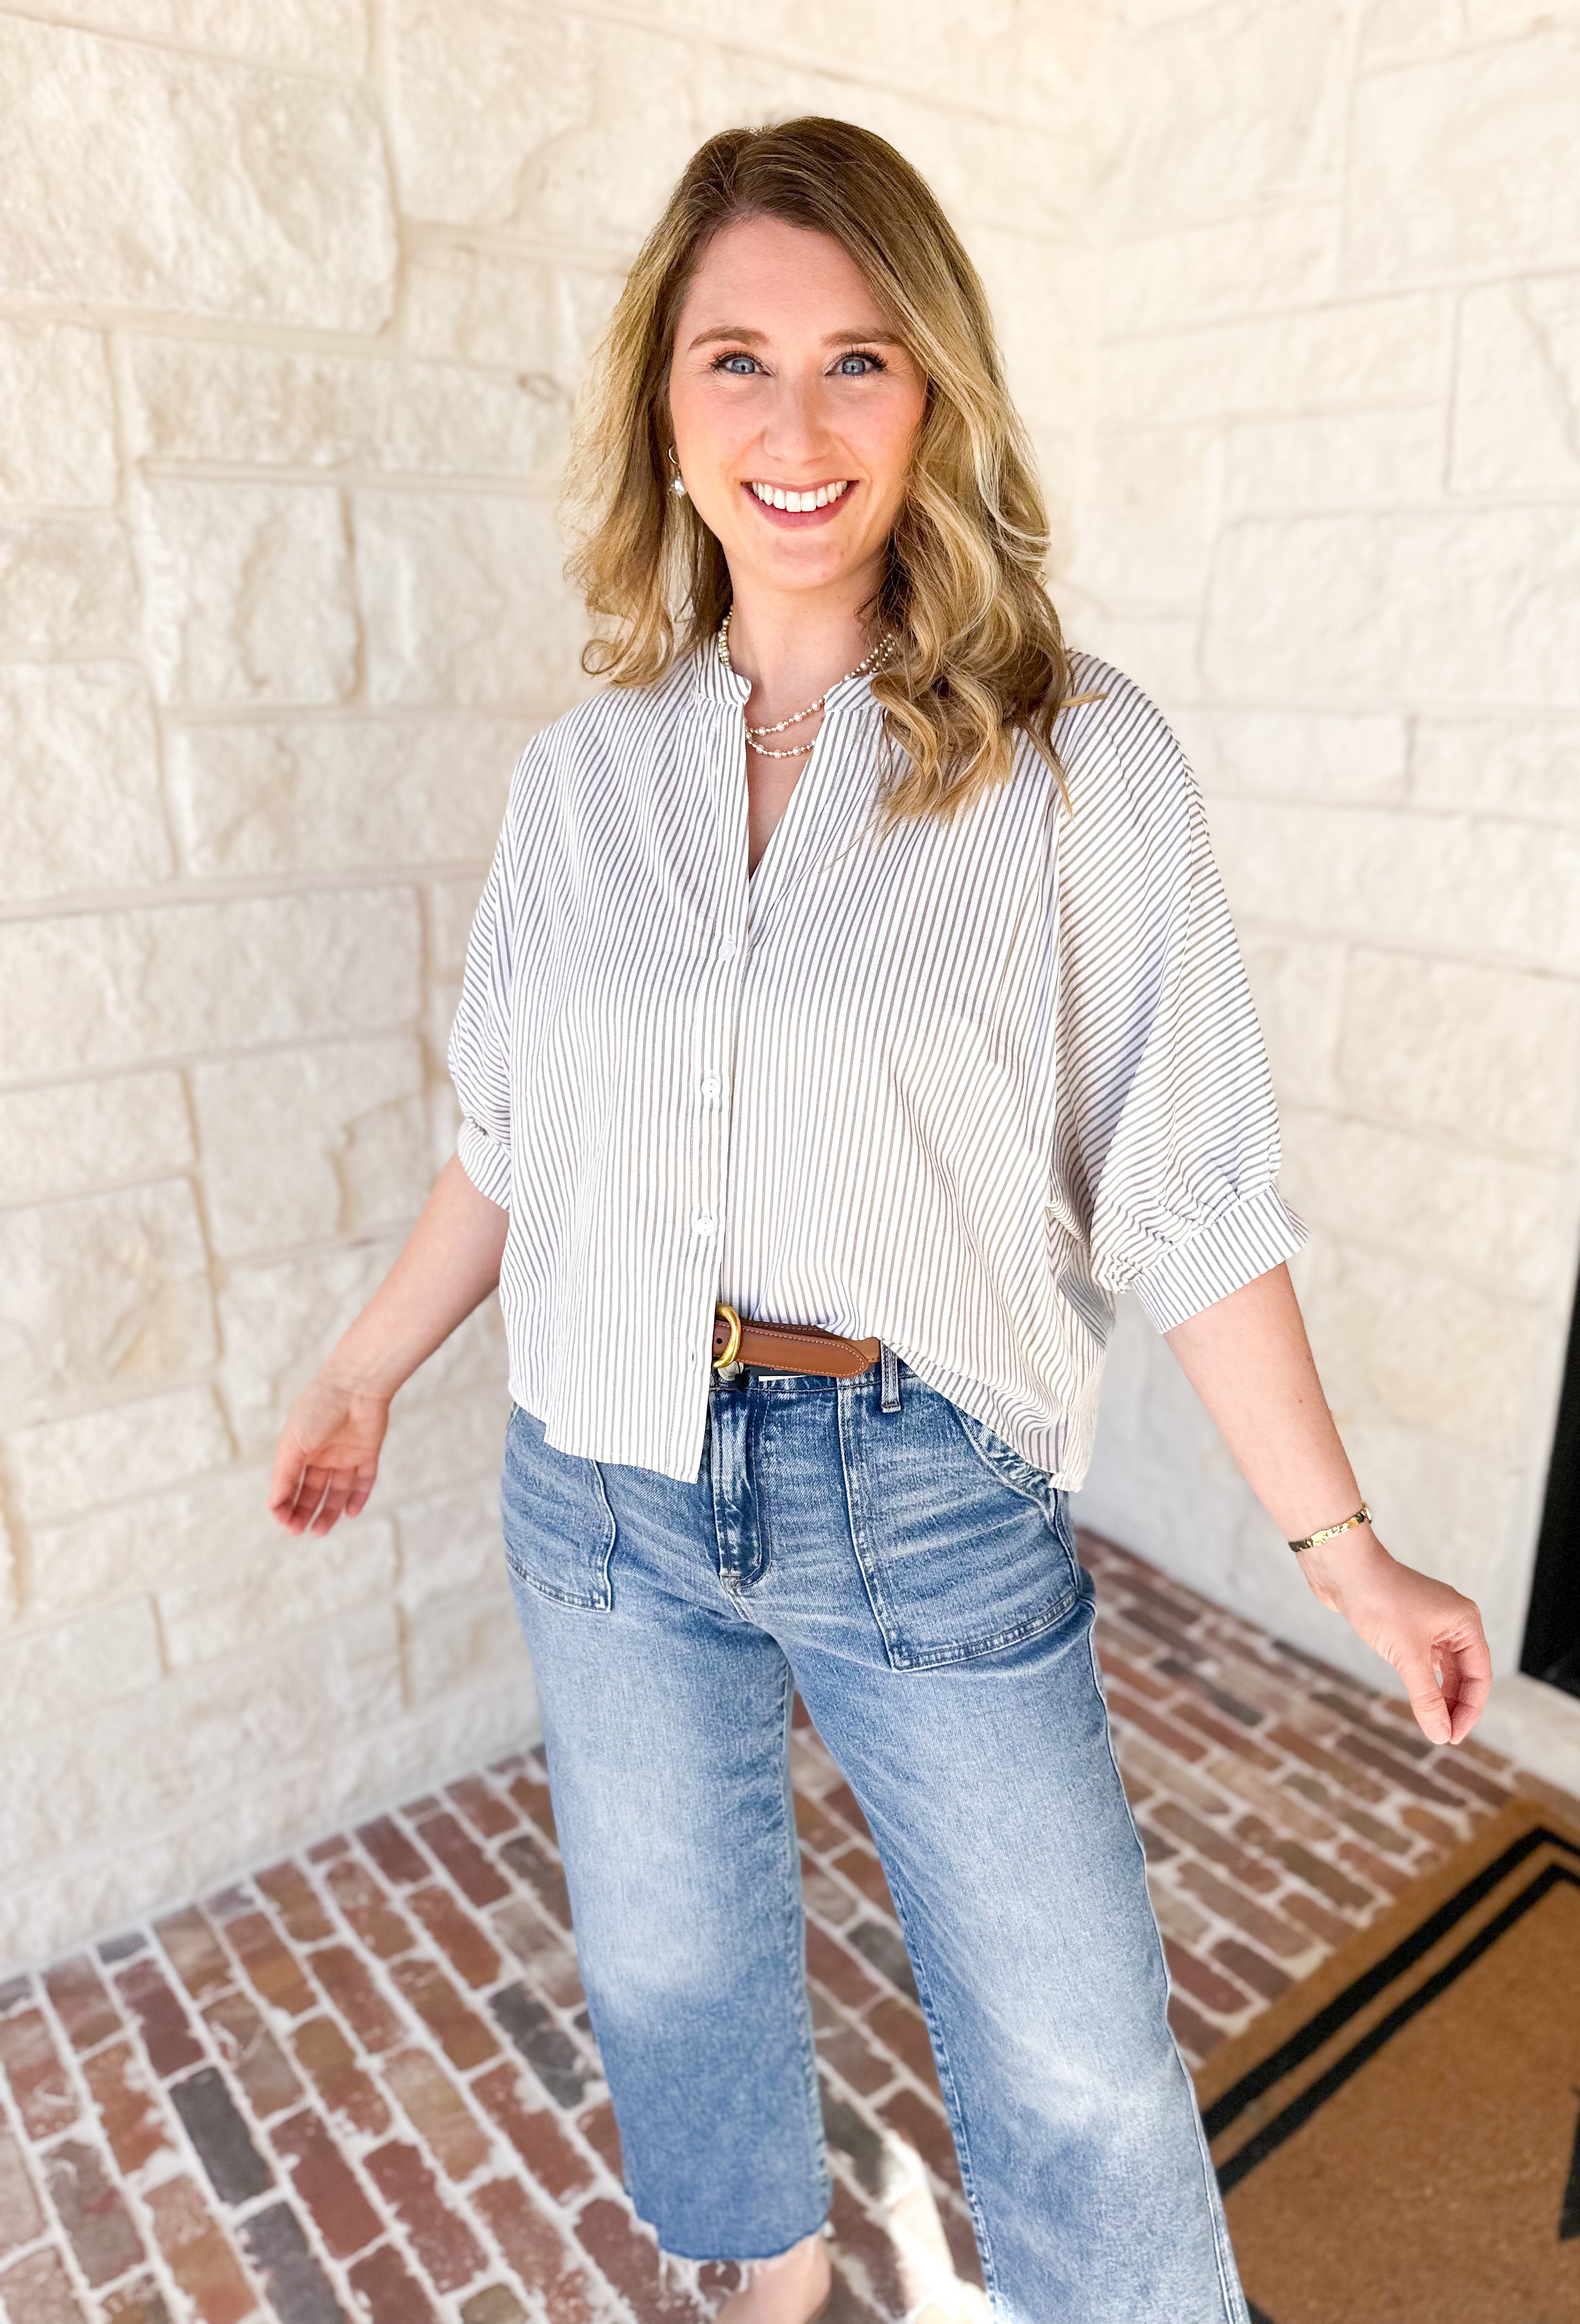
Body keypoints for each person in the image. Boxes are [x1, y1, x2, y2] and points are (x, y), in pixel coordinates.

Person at [268, 115, 1491, 2324]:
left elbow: (1187, 1181)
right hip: (602, 1472)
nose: (799, 426)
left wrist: (1346, 1551)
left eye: (860, 361)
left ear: (936, 396)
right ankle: (772, 2273)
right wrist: (364, 1370)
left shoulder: (1074, 757)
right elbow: (514, 1141)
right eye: (737, 361)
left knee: (1081, 2072)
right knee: (673, 1968)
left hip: (918, 1489)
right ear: (666, 409)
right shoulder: (582, 779)